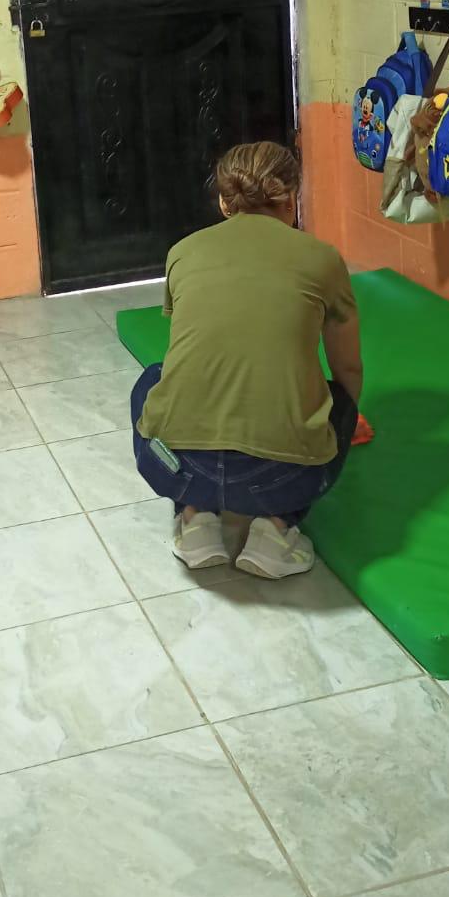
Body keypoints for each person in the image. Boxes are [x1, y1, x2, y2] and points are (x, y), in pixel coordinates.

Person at [131, 141, 362, 578]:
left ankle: (194, 518)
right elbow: (348, 367)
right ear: (291, 197)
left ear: (224, 202)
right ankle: (276, 530)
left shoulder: (183, 251)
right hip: (283, 479)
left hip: (177, 468)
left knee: (153, 378)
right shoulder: (323, 259)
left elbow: (196, 352)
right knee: (339, 398)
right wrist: (345, 420)